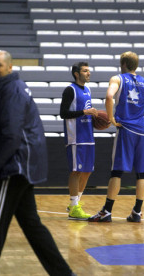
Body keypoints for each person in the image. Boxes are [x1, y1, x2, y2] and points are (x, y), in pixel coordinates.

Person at [0, 50, 75, 276]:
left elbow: (12, 136)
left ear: (10, 67)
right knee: (32, 226)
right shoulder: (2, 86)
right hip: (20, 164)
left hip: (14, 166)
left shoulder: (12, 91)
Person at [88, 51, 144, 223]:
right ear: (136, 65)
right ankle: (137, 212)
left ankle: (107, 212)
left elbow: (109, 96)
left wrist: (110, 118)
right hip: (142, 132)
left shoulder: (117, 79)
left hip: (126, 130)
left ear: (122, 64)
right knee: (142, 174)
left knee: (117, 172)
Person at [60, 62, 98, 220]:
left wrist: (95, 116)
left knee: (87, 170)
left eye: (89, 70)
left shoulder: (88, 89)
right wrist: (84, 112)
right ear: (77, 74)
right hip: (75, 136)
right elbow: (63, 113)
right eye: (85, 71)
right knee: (76, 171)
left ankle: (75, 204)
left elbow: (86, 111)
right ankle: (74, 205)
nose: (89, 73)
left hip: (88, 135)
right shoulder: (70, 90)